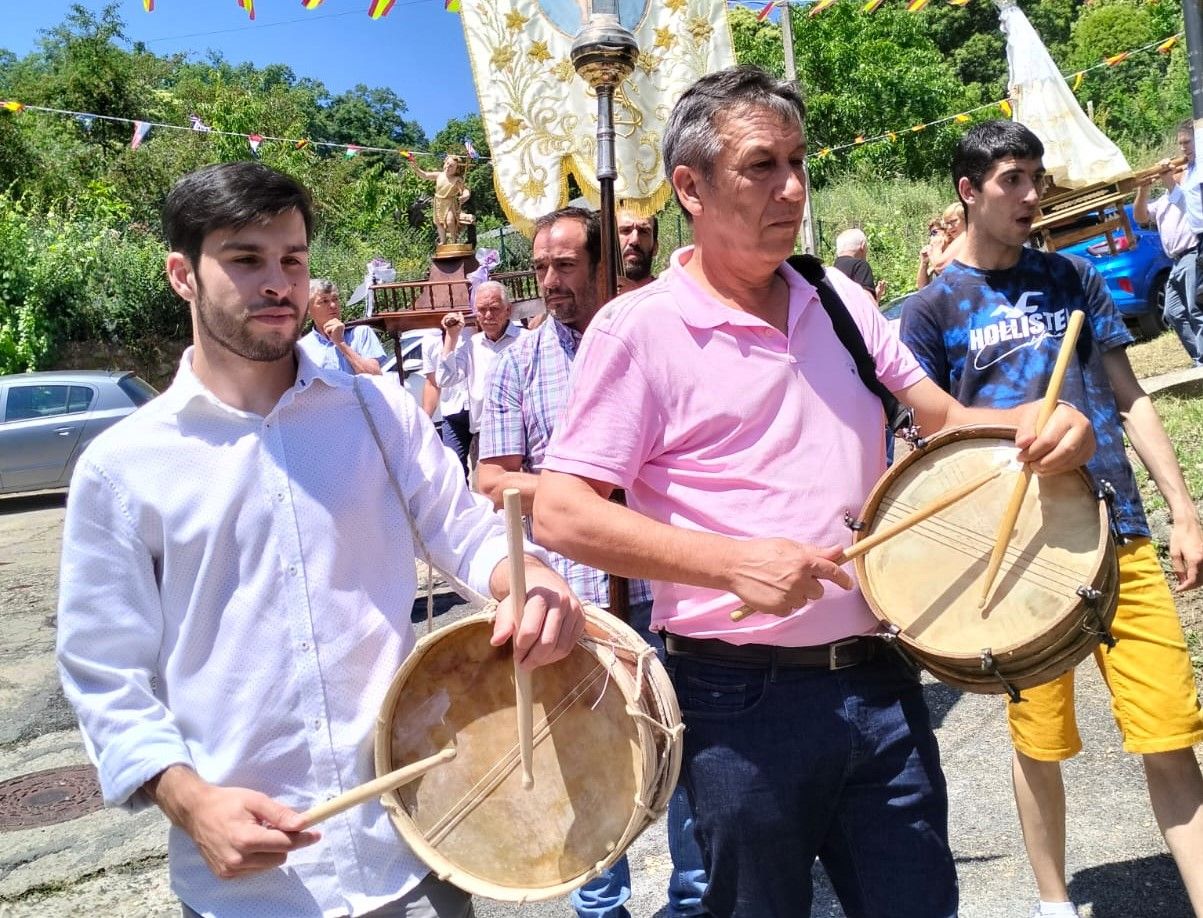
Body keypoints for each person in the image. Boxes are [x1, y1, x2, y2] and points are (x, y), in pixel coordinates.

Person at [531, 66, 1095, 918]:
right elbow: (561, 510)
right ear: (690, 186)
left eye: (799, 162)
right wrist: (730, 566)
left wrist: (1052, 426)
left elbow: (943, 419)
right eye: (762, 166)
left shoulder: (836, 297)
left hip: (882, 672)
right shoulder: (636, 329)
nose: (791, 187)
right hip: (734, 703)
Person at [55, 161, 586, 918]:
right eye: (246, 260)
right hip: (252, 885)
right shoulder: (121, 469)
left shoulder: (375, 411)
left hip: (416, 845)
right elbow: (105, 675)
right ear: (183, 275)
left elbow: (463, 531)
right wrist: (188, 800)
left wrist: (525, 577)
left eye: (293, 259)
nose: (279, 283)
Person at [900, 119, 1203, 918]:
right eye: (1012, 181)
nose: (1032, 196)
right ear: (969, 191)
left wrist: (1183, 507)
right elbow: (929, 433)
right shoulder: (928, 311)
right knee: (1039, 745)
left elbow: (1128, 394)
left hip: (1120, 533)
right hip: (1023, 554)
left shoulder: (1071, 277)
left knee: (1169, 731)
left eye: (1035, 178)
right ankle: (1051, 902)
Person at [477, 206, 707, 918]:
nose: (549, 281)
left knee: (687, 751)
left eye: (565, 266)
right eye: (540, 267)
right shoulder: (518, 361)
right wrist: (578, 493)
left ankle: (695, 898)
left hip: (660, 588)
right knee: (579, 757)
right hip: (569, 594)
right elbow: (490, 480)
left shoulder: (653, 342)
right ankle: (600, 905)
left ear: (604, 264)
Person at [1133, 120, 1203, 364]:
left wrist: (1167, 177)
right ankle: (1199, 357)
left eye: (1187, 143)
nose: (1183, 149)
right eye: (1180, 144)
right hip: (1175, 261)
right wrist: (1142, 189)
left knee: (1196, 308)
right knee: (1173, 312)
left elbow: (1181, 200)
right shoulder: (1164, 199)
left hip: (1193, 253)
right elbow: (1141, 217)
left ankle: (1202, 361)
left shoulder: (1191, 190)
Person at [434, 281, 523, 442]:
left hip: (520, 429)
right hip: (484, 433)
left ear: (508, 310)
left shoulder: (525, 340)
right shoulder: (472, 344)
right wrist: (451, 336)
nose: (488, 315)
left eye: (494, 308)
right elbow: (445, 379)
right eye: (482, 310)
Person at [298, 278, 385, 375]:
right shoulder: (303, 349)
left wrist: (340, 343)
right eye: (324, 301)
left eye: (335, 299)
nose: (333, 305)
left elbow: (375, 376)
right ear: (308, 310)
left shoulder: (361, 333)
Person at [422, 322, 472, 476]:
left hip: (479, 410)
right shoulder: (430, 338)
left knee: (485, 472)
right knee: (454, 471)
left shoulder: (473, 329)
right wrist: (424, 420)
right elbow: (432, 383)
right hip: (452, 412)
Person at [407, 153, 471, 246]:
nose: (448, 167)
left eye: (451, 166)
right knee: (438, 223)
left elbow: (465, 190)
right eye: (447, 163)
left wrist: (465, 196)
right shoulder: (439, 175)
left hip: (449, 202)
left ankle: (454, 240)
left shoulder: (457, 179)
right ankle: (443, 241)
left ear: (457, 169)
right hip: (438, 202)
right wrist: (415, 167)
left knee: (450, 221)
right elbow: (425, 175)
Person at [832, 227, 886, 301]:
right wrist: (874, 298)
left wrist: (876, 295)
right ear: (863, 246)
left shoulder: (831, 270)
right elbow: (866, 304)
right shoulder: (860, 266)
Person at [616, 206, 659, 292]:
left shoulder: (668, 299)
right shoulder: (592, 300)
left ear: (655, 246)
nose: (634, 240)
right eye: (625, 230)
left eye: (643, 231)